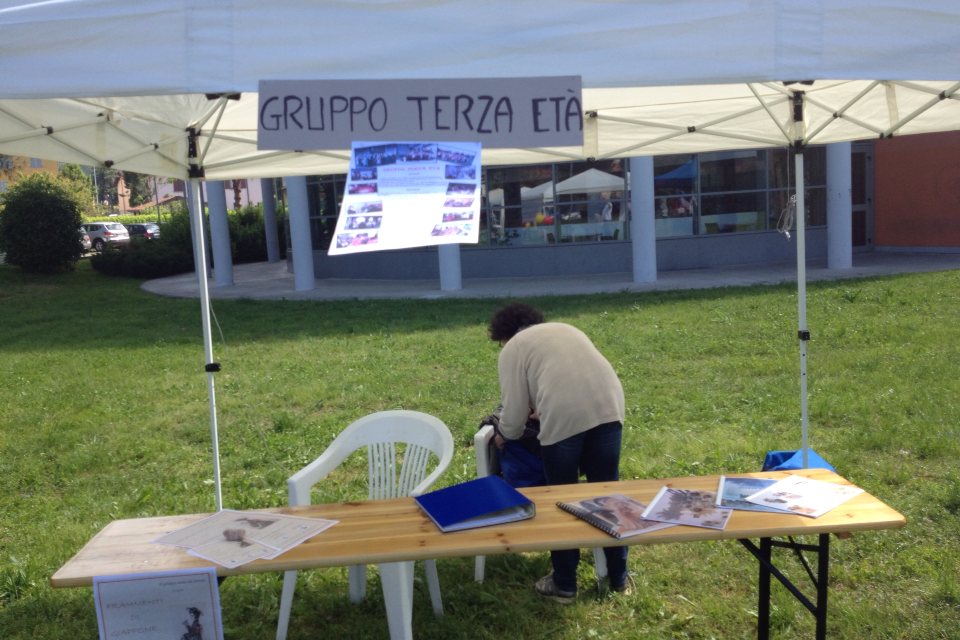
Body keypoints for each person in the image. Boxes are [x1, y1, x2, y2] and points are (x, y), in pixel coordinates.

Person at [488, 302, 629, 603]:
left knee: (562, 499)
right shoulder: (566, 329)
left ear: (504, 334)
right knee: (608, 495)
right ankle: (618, 577)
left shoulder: (513, 348)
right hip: (610, 406)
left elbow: (513, 412)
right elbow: (573, 380)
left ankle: (564, 583)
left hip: (564, 419)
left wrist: (503, 435)